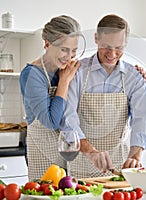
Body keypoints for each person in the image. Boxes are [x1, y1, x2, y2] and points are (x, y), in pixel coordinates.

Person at [61, 14, 146, 178]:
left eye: (119, 48)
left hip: (121, 162)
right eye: (107, 46)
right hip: (81, 161)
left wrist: (135, 155)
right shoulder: (77, 71)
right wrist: (91, 151)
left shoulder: (133, 76)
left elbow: (141, 118)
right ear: (96, 38)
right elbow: (68, 117)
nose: (112, 54)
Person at [19, 15, 84, 181]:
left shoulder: (69, 68)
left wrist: (137, 74)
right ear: (47, 44)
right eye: (64, 49)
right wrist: (64, 81)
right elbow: (50, 121)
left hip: (70, 154)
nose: (69, 57)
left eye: (74, 51)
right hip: (43, 155)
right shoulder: (32, 74)